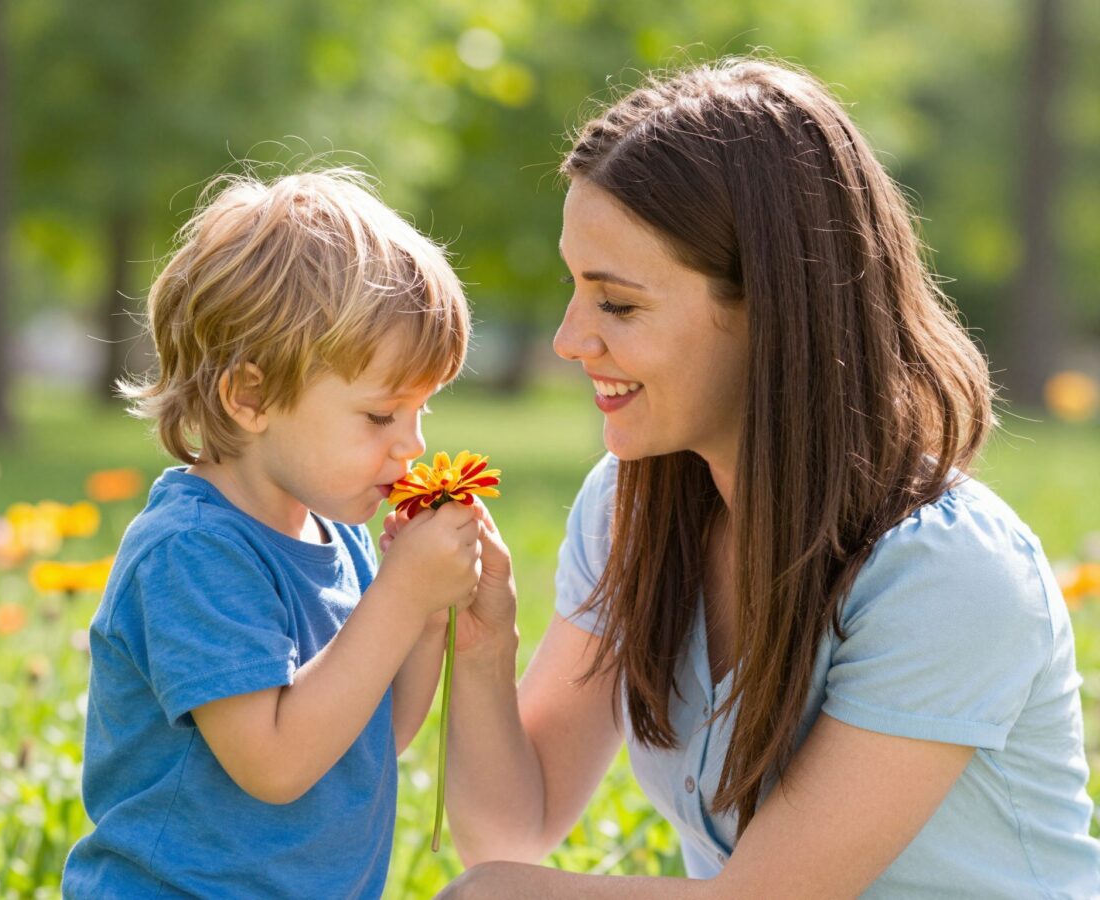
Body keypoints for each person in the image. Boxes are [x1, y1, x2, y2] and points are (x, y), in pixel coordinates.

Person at [422, 59, 1100, 897]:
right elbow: (509, 830)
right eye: (575, 289)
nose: (568, 339)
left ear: (771, 311)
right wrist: (483, 648)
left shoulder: (947, 573)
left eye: (618, 304)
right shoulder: (629, 507)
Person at [62, 168, 481, 898]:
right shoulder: (192, 551)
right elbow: (277, 764)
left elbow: (371, 741)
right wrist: (400, 599)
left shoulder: (337, 535)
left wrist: (422, 616)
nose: (411, 445)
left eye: (423, 411)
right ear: (251, 395)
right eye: (381, 416)